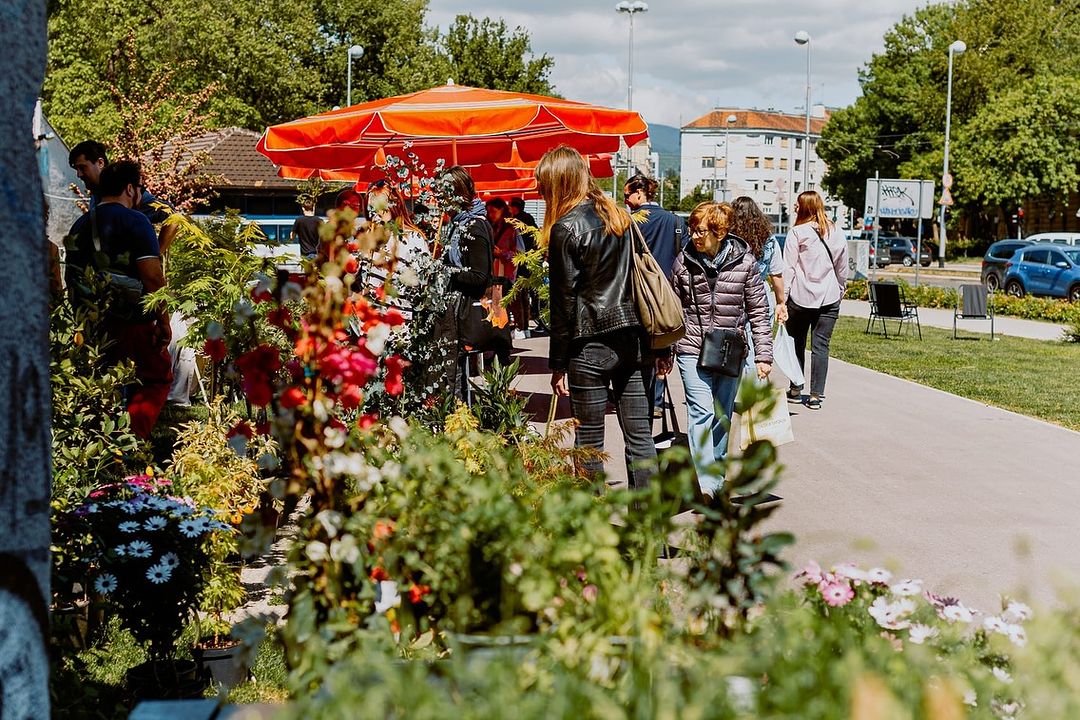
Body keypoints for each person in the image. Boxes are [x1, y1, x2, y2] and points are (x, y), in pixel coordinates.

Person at [540, 146, 657, 491]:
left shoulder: (566, 228)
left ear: (559, 184)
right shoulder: (619, 217)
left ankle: (594, 533)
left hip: (588, 346)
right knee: (640, 439)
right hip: (631, 340)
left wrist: (558, 363)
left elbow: (564, 303)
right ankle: (650, 532)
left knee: (589, 443)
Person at [662, 201, 772, 501]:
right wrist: (665, 351)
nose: (694, 237)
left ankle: (718, 477)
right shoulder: (683, 262)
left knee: (721, 417)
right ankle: (706, 483)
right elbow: (674, 308)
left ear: (719, 232)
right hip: (691, 347)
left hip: (729, 350)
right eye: (691, 230)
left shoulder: (745, 263)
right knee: (701, 412)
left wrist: (763, 355)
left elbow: (759, 312)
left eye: (700, 231)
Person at [65, 160, 172, 438]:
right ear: (130, 188)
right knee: (156, 377)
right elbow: (152, 278)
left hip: (92, 323)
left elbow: (71, 278)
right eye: (139, 187)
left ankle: (103, 443)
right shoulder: (137, 221)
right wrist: (164, 321)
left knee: (104, 385)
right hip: (133, 321)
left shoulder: (81, 224)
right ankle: (133, 444)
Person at [435, 166, 505, 396]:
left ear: (456, 194)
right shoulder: (456, 226)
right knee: (450, 377)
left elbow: (478, 277)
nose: (439, 200)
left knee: (455, 381)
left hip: (465, 316)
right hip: (454, 316)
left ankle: (458, 425)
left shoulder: (474, 226)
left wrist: (442, 270)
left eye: (442, 194)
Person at [624, 173, 687, 417]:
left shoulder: (631, 222)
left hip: (636, 291)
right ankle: (657, 399)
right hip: (666, 293)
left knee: (638, 345)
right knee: (663, 343)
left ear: (640, 193)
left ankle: (639, 397)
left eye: (627, 194)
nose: (626, 200)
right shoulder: (674, 221)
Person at [782, 191, 849, 411]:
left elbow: (789, 269)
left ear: (803, 207)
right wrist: (840, 289)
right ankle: (816, 395)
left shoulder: (797, 232)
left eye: (796, 205)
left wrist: (783, 299)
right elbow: (842, 267)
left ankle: (795, 388)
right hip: (829, 298)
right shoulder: (836, 231)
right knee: (821, 347)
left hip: (799, 299)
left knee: (797, 343)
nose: (794, 208)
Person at [69, 140, 179, 253]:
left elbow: (173, 216)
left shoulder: (125, 191)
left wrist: (156, 252)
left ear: (100, 163)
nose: (79, 174)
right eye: (77, 169)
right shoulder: (96, 196)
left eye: (82, 168)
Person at [730, 196, 788, 367]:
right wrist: (780, 302)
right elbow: (776, 274)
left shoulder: (728, 237)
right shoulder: (768, 239)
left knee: (733, 343)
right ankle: (753, 385)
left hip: (734, 291)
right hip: (761, 292)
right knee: (758, 345)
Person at [486, 197, 527, 336]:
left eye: (493, 211)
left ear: (502, 210)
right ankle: (498, 333)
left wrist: (501, 253)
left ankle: (516, 329)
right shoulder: (490, 228)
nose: (491, 214)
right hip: (494, 274)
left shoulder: (512, 229)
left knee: (508, 304)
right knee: (496, 306)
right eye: (489, 212)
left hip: (509, 274)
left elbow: (520, 254)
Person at [508, 196, 543, 335]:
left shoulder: (518, 222)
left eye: (510, 205)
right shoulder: (530, 220)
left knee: (517, 295)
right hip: (531, 261)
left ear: (515, 207)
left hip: (520, 261)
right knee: (526, 294)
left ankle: (520, 328)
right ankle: (526, 327)